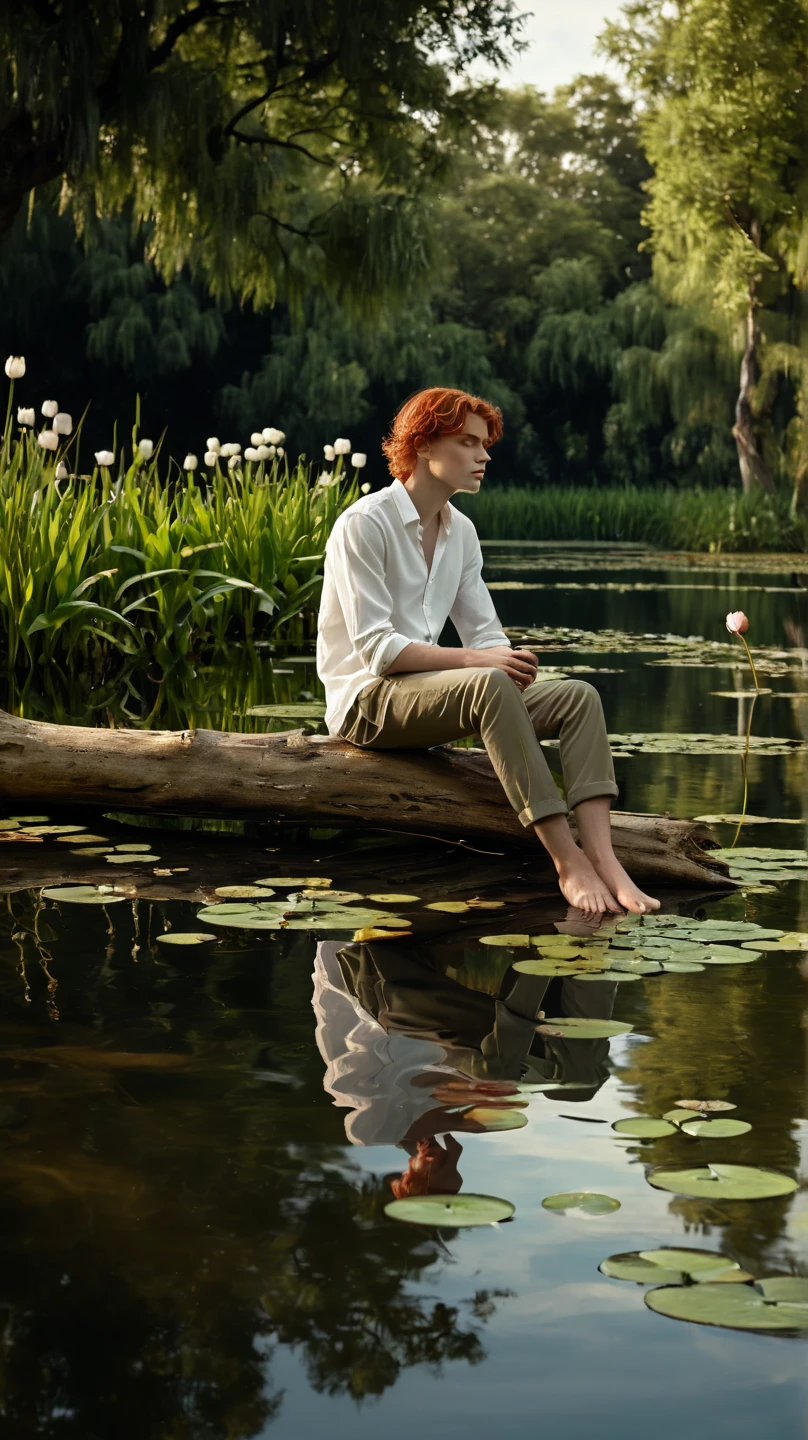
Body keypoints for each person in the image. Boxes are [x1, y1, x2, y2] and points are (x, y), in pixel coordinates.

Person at [315, 386, 659, 915]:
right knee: (489, 680)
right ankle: (568, 862)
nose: (485, 455)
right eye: (469, 443)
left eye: (485, 444)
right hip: (367, 705)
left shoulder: (462, 533)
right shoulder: (364, 524)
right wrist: (482, 664)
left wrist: (508, 660)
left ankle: (606, 858)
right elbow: (379, 652)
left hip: (431, 697)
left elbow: (486, 636)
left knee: (579, 696)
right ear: (425, 445)